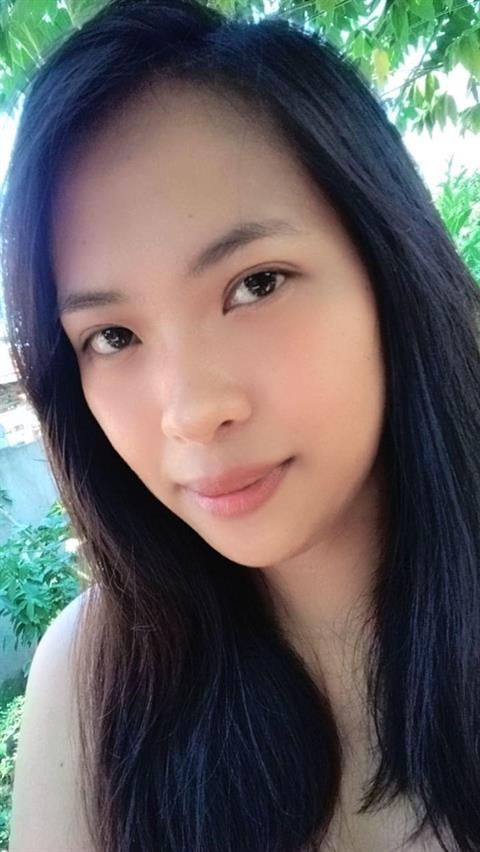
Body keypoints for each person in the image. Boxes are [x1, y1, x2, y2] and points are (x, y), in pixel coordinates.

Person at [2, 0, 479, 849]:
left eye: (255, 284)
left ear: (388, 265)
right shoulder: (91, 682)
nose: (190, 412)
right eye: (112, 337)